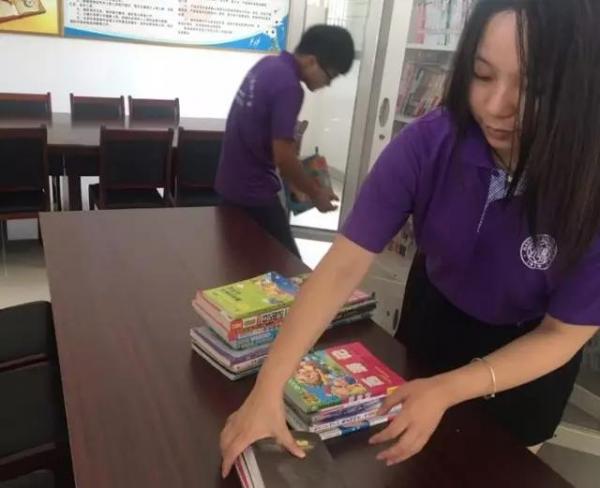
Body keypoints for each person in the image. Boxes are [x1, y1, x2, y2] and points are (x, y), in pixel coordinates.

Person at [219, 0, 600, 476]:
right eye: (482, 75)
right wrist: (268, 387)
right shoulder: (431, 141)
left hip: (525, 358)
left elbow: (562, 335)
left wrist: (449, 388)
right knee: (406, 465)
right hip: (431, 322)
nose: (494, 106)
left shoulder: (588, 184)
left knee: (493, 470)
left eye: (533, 88)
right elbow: (341, 268)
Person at [215, 25, 355, 257]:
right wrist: (315, 194)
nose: (328, 84)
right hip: (253, 193)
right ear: (311, 61)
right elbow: (284, 158)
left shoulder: (267, 65)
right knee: (290, 267)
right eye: (330, 76)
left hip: (230, 185)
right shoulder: (290, 87)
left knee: (242, 262)